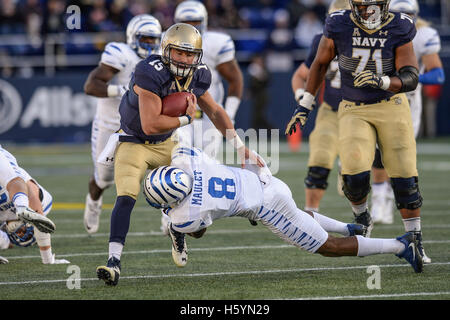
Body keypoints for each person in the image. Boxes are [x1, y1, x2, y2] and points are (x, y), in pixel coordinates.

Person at [96, 23, 262, 286]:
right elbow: (150, 124)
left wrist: (241, 148)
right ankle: (114, 261)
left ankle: (178, 227)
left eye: (189, 55)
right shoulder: (149, 72)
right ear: (165, 50)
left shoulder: (199, 75)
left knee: (200, 195)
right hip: (134, 140)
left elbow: (216, 112)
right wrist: (186, 118)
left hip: (167, 142)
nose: (185, 60)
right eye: (179, 53)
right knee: (126, 195)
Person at [285, 0, 427, 259]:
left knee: (405, 177)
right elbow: (318, 64)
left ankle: (415, 237)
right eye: (361, 6)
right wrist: (304, 105)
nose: (367, 12)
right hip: (353, 106)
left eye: (372, 6)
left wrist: (383, 81)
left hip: (391, 103)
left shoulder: (399, 24)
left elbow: (411, 75)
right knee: (353, 173)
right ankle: (362, 217)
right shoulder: (338, 23)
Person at [143, 146, 423, 276]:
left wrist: (175, 223)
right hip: (263, 179)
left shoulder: (185, 215)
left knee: (327, 246)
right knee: (297, 215)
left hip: (266, 207)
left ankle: (399, 247)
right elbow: (199, 156)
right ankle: (348, 227)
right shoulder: (186, 159)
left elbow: (200, 231)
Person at [369, 0, 444, 263]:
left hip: (408, 102)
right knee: (377, 151)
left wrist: (409, 78)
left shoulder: (424, 35)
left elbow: (437, 75)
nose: (403, 19)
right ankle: (378, 200)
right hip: (379, 99)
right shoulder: (374, 30)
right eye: (398, 14)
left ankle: (410, 229)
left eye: (407, 14)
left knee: (402, 162)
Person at [83, 14, 162, 235]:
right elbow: (91, 86)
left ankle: (169, 218)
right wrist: (122, 90)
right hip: (111, 124)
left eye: (152, 39)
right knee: (104, 178)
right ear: (132, 37)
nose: (149, 44)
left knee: (164, 169)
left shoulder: (162, 56)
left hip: (142, 124)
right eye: (144, 39)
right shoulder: (121, 53)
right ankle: (93, 202)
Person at [291, 0, 349, 215]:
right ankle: (310, 214)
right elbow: (300, 76)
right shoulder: (321, 41)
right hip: (331, 110)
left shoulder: (370, 42)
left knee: (355, 177)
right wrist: (302, 96)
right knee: (319, 160)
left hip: (362, 110)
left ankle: (365, 215)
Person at [0, 145, 66, 264]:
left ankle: (21, 206)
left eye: (19, 233)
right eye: (23, 230)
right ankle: (21, 206)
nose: (18, 230)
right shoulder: (44, 202)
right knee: (14, 181)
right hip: (11, 183)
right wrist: (48, 259)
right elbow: (27, 188)